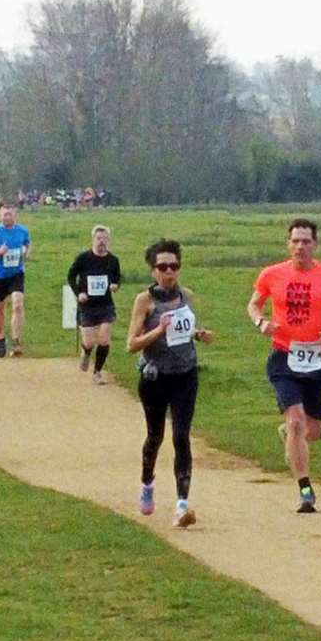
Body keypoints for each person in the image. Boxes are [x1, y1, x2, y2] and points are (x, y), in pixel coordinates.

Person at [247, 218, 321, 513]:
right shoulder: (272, 274)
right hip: (284, 356)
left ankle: (292, 438)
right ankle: (305, 490)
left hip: (318, 359)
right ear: (288, 243)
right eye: (295, 241)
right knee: (296, 421)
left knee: (312, 429)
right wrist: (261, 322)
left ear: (315, 245)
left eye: (306, 241)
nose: (300, 246)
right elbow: (254, 304)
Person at [127, 239, 215, 528]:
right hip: (154, 376)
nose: (169, 272)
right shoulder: (145, 301)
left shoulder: (187, 296)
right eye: (162, 267)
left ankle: (181, 505)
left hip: (185, 374)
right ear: (153, 270)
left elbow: (184, 331)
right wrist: (158, 331)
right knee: (155, 437)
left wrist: (199, 334)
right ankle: (147, 483)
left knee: (181, 436)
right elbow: (132, 344)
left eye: (174, 266)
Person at [68, 224, 123, 384]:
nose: (102, 242)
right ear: (93, 239)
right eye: (99, 238)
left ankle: (97, 371)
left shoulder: (113, 260)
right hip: (87, 306)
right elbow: (71, 276)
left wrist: (115, 285)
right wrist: (79, 293)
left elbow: (117, 277)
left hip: (105, 305)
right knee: (89, 341)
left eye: (105, 239)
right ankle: (85, 352)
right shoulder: (83, 258)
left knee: (104, 339)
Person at [0, 206, 32, 357]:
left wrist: (28, 252)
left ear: (15, 216)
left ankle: (16, 340)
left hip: (16, 273)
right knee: (0, 308)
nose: (6, 217)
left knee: (18, 304)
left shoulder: (22, 230)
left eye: (9, 215)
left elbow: (28, 242)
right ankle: (1, 337)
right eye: (4, 215)